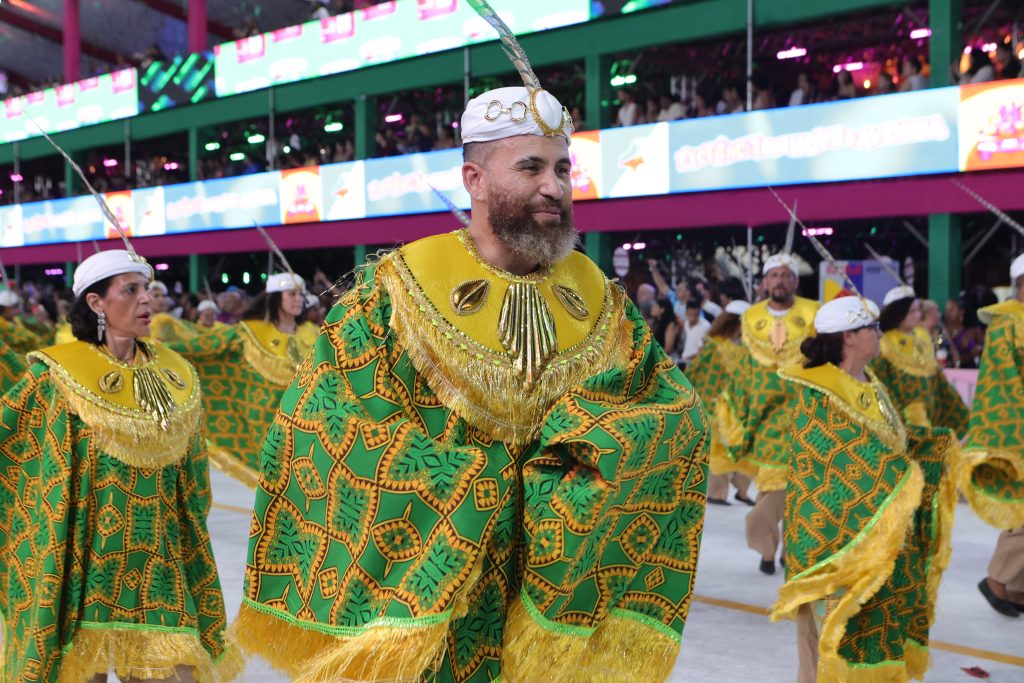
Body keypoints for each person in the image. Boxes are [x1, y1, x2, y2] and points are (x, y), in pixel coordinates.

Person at [232, 7, 710, 680]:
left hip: (554, 606)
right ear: (475, 180)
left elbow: (665, 408)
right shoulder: (395, 293)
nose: (554, 186)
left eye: (563, 168)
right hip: (435, 608)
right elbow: (327, 431)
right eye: (531, 166)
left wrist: (578, 478)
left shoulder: (602, 300)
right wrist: (482, 489)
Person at [0, 249, 239, 681]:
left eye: (146, 289)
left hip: (161, 564)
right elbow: (12, 436)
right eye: (130, 290)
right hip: (86, 564)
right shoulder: (61, 374)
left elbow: (193, 477)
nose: (146, 300)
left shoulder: (175, 374)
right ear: (96, 303)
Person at [772, 295, 957, 682]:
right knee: (825, 639)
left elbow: (892, 441)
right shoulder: (818, 390)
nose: (878, 334)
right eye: (871, 328)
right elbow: (840, 455)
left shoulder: (869, 382)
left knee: (862, 632)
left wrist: (933, 444)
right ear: (850, 338)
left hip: (877, 531)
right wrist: (899, 472)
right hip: (833, 535)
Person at [718, 253, 819, 574]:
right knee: (770, 484)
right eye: (773, 275)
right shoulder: (752, 318)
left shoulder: (813, 313)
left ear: (796, 281)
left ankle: (783, 549)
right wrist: (738, 411)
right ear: (764, 282)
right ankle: (769, 547)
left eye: (786, 275)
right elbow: (745, 369)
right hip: (764, 418)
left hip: (805, 413)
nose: (779, 280)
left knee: (800, 488)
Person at [169, 271, 312, 487]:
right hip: (265, 421)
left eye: (301, 294)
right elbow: (202, 348)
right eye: (292, 293)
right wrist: (160, 351)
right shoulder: (249, 331)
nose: (298, 299)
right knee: (277, 483)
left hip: (308, 419)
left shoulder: (313, 333)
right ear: (274, 297)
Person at [962, 254, 1024, 617]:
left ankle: (1014, 587)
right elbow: (1002, 384)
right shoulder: (1006, 325)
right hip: (1016, 426)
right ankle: (999, 579)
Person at [872, 286, 969, 435]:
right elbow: (880, 382)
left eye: (918, 310)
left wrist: (955, 404)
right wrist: (898, 415)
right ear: (899, 314)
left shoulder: (923, 336)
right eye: (912, 312)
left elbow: (936, 375)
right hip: (906, 420)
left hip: (933, 416)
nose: (917, 316)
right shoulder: (884, 342)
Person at [687, 300, 755, 505]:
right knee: (718, 452)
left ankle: (741, 488)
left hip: (736, 407)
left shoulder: (742, 347)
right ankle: (719, 493)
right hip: (713, 407)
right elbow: (696, 372)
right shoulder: (714, 345)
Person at [0, 288, 46, 353]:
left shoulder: (16, 319)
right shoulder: (1, 324)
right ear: (3, 310)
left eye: (16, 307)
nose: (16, 311)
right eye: (12, 308)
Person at [945, 298, 983, 368]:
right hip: (950, 369)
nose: (948, 313)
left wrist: (979, 350)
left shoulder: (974, 330)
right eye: (947, 310)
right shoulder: (943, 330)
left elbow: (984, 350)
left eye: (951, 310)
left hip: (971, 369)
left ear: (961, 312)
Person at [680, 298, 710, 366]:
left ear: (699, 312)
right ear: (686, 313)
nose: (692, 318)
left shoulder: (706, 327)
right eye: (690, 315)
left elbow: (704, 350)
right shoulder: (686, 323)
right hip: (684, 361)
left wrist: (688, 358)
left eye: (696, 315)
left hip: (697, 364)